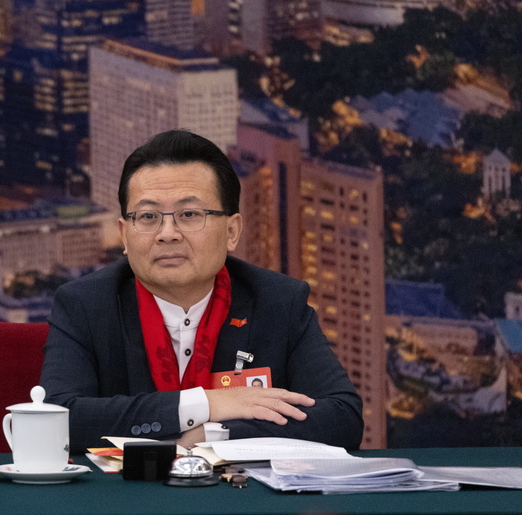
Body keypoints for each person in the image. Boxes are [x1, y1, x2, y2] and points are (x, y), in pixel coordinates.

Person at [41, 130, 363, 453]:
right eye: (149, 217)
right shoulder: (84, 305)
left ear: (232, 231)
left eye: (189, 215)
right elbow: (59, 421)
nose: (168, 234)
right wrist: (207, 403)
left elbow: (341, 418)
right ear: (124, 235)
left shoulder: (278, 302)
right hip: (127, 502)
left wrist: (211, 437)